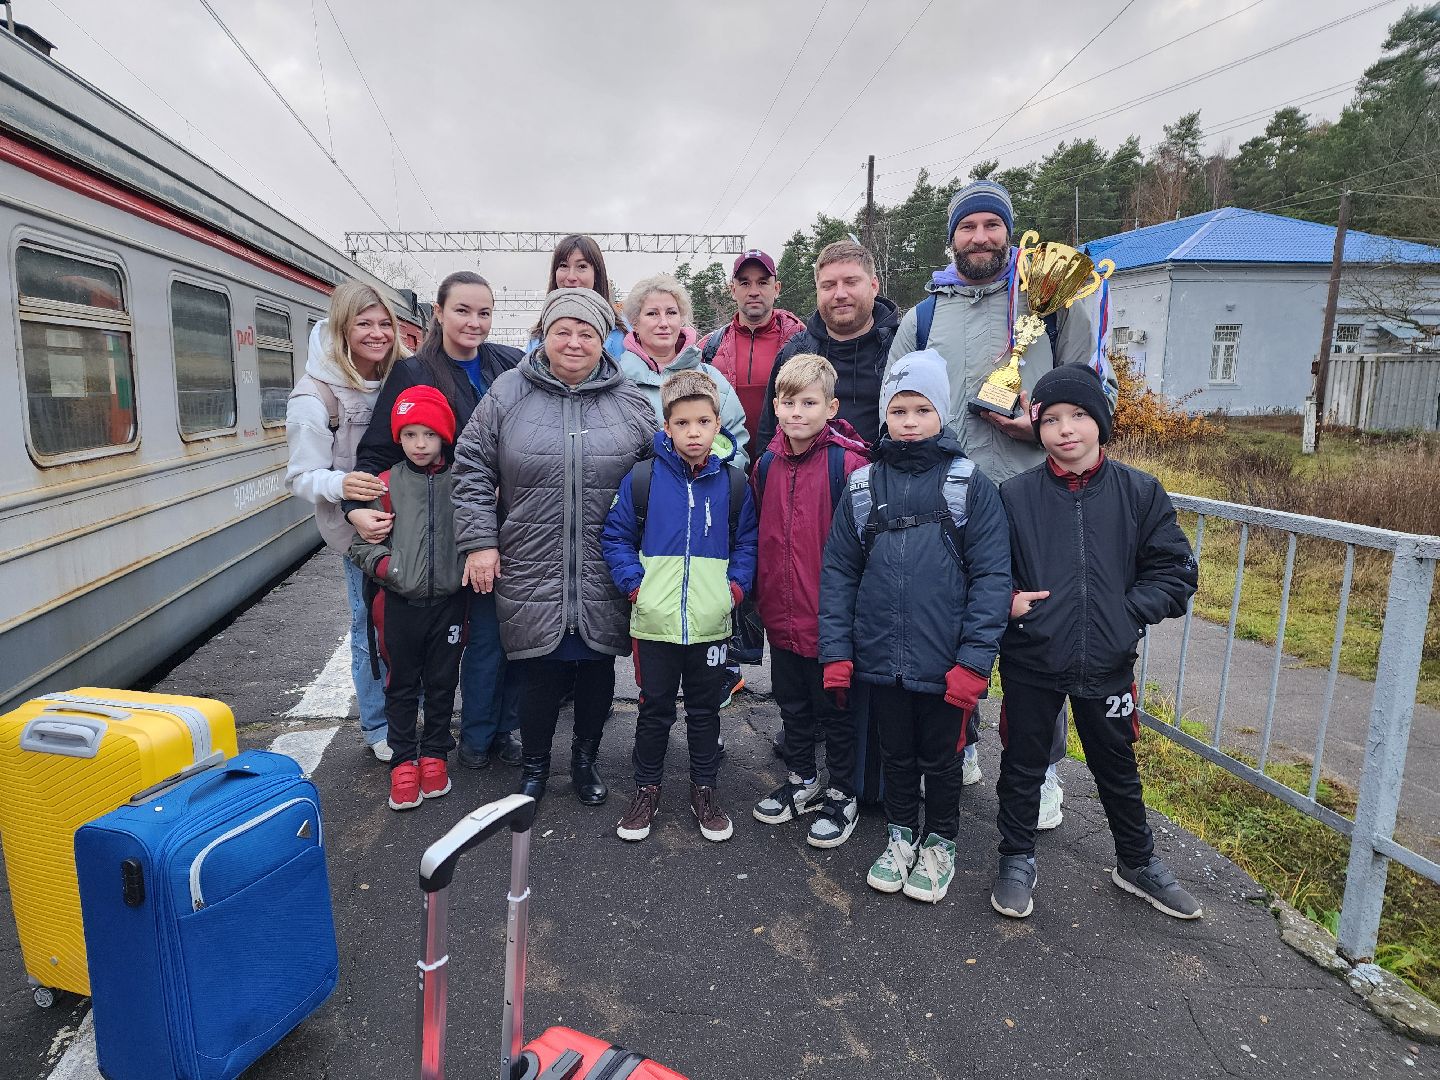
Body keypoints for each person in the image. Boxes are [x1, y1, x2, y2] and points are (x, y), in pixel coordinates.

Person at [887, 178, 1111, 822]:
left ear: (1010, 232)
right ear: (951, 238)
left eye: (991, 225)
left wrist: (1040, 426)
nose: (980, 237)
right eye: (967, 227)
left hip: (1034, 494)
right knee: (947, 621)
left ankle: (1037, 766)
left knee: (1036, 633)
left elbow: (1096, 389)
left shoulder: (1057, 299)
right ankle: (959, 743)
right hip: (947, 497)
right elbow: (890, 396)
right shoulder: (926, 314)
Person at [990, 364, 1201, 921]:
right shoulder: (1015, 496)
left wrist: (1126, 612)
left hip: (1107, 661)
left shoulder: (1140, 492)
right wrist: (1009, 603)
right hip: (1033, 657)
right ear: (1037, 428)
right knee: (1023, 762)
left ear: (1100, 422)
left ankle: (1137, 860)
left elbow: (1175, 570)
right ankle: (1015, 857)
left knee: (1116, 764)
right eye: (1052, 418)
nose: (1066, 430)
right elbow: (989, 570)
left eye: (1079, 415)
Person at [818, 350, 1010, 904]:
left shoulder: (970, 486)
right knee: (894, 754)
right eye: (898, 409)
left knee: (943, 759)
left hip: (946, 662)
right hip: (880, 661)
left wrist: (974, 662)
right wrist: (837, 653)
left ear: (941, 415)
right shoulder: (861, 488)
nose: (908, 421)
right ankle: (901, 834)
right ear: (884, 415)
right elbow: (839, 573)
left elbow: (993, 578)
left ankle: (940, 840)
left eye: (921, 409)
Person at [453, 287, 657, 804]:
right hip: (529, 556)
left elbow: (661, 473)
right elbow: (472, 467)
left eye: (586, 332)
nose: (573, 342)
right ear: (543, 335)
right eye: (561, 330)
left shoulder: (631, 401)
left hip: (605, 561)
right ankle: (536, 767)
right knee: (537, 671)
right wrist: (480, 541)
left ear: (602, 341)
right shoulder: (506, 393)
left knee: (596, 667)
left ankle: (585, 762)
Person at [346, 271, 524, 772]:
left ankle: (496, 731)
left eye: (484, 312)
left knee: (497, 636)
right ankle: (455, 741)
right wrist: (355, 505)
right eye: (462, 310)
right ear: (438, 313)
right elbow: (378, 450)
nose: (474, 322)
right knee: (443, 647)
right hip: (441, 533)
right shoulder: (414, 372)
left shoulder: (508, 364)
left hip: (504, 523)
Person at [603, 370, 758, 843]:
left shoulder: (733, 484)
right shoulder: (643, 479)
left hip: (710, 625)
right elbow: (616, 537)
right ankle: (646, 789)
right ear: (666, 427)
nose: (693, 432)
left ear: (718, 426)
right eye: (683, 422)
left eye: (703, 422)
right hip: (655, 623)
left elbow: (747, 543)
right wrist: (636, 587)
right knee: (653, 710)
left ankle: (704, 790)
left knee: (706, 711)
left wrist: (732, 591)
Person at [749, 354, 870, 849]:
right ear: (774, 406)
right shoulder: (766, 465)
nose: (797, 412)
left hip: (832, 621)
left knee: (837, 711)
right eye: (787, 401)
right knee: (793, 703)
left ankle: (842, 790)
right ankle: (802, 777)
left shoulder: (851, 464)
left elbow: (867, 546)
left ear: (831, 405)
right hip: (782, 616)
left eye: (809, 402)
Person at [285, 281, 405, 762]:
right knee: (367, 624)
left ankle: (408, 711)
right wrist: (342, 488)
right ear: (342, 328)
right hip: (355, 530)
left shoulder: (401, 373)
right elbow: (300, 477)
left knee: (411, 624)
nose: (376, 334)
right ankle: (378, 725)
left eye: (384, 324)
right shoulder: (315, 396)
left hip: (408, 519)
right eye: (364, 323)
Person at [347, 386, 466, 811]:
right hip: (398, 603)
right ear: (399, 437)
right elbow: (358, 544)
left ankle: (434, 754)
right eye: (411, 434)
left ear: (444, 438)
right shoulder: (385, 483)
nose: (420, 444)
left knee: (441, 682)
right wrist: (389, 569)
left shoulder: (462, 482)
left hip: (449, 604)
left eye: (429, 435)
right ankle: (403, 759)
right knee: (400, 684)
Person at [756, 240, 900, 453]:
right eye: (828, 285)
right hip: (809, 483)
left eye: (851, 282)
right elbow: (769, 436)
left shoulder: (901, 349)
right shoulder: (795, 353)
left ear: (874, 285)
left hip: (884, 482)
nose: (840, 294)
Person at [618, 273, 751, 470]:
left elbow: (735, 448)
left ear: (681, 319)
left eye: (671, 312)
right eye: (652, 313)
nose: (663, 322)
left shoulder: (711, 379)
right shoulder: (617, 381)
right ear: (635, 323)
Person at [697, 248, 805, 446]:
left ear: (777, 288)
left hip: (785, 464)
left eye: (763, 282)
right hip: (726, 465)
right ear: (732, 290)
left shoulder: (802, 344)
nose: (754, 291)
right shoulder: (708, 348)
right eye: (745, 283)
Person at [526, 234, 628, 360]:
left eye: (582, 267)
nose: (571, 277)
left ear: (597, 274)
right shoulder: (538, 336)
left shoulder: (623, 334)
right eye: (563, 266)